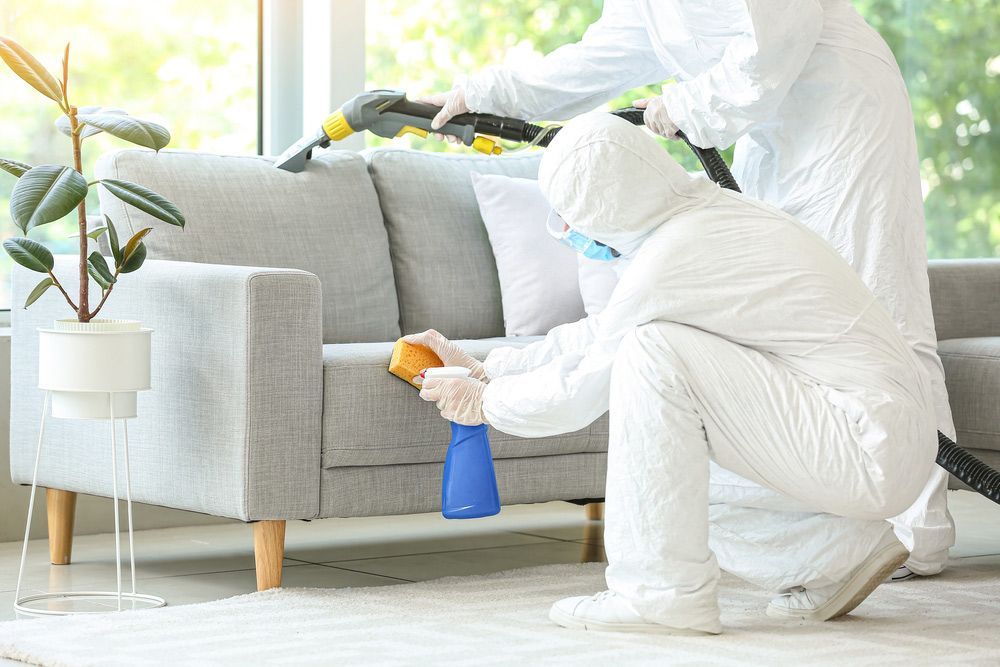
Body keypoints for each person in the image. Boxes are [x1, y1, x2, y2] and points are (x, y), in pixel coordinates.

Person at [423, 0, 954, 579]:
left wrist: (686, 103)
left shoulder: (676, 249)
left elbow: (778, 34)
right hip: (770, 130)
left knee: (878, 308)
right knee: (775, 328)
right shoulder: (684, 237)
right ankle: (840, 535)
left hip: (843, 122)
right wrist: (481, 94)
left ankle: (919, 532)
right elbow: (600, 58)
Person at [406, 113, 936, 634]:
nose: (566, 231)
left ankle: (660, 596)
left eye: (571, 215)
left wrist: (487, 403)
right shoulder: (703, 216)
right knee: (673, 441)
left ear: (608, 207)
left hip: (860, 442)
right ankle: (837, 556)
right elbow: (599, 333)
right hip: (866, 434)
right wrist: (491, 366)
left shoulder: (673, 256)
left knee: (652, 355)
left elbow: (579, 392)